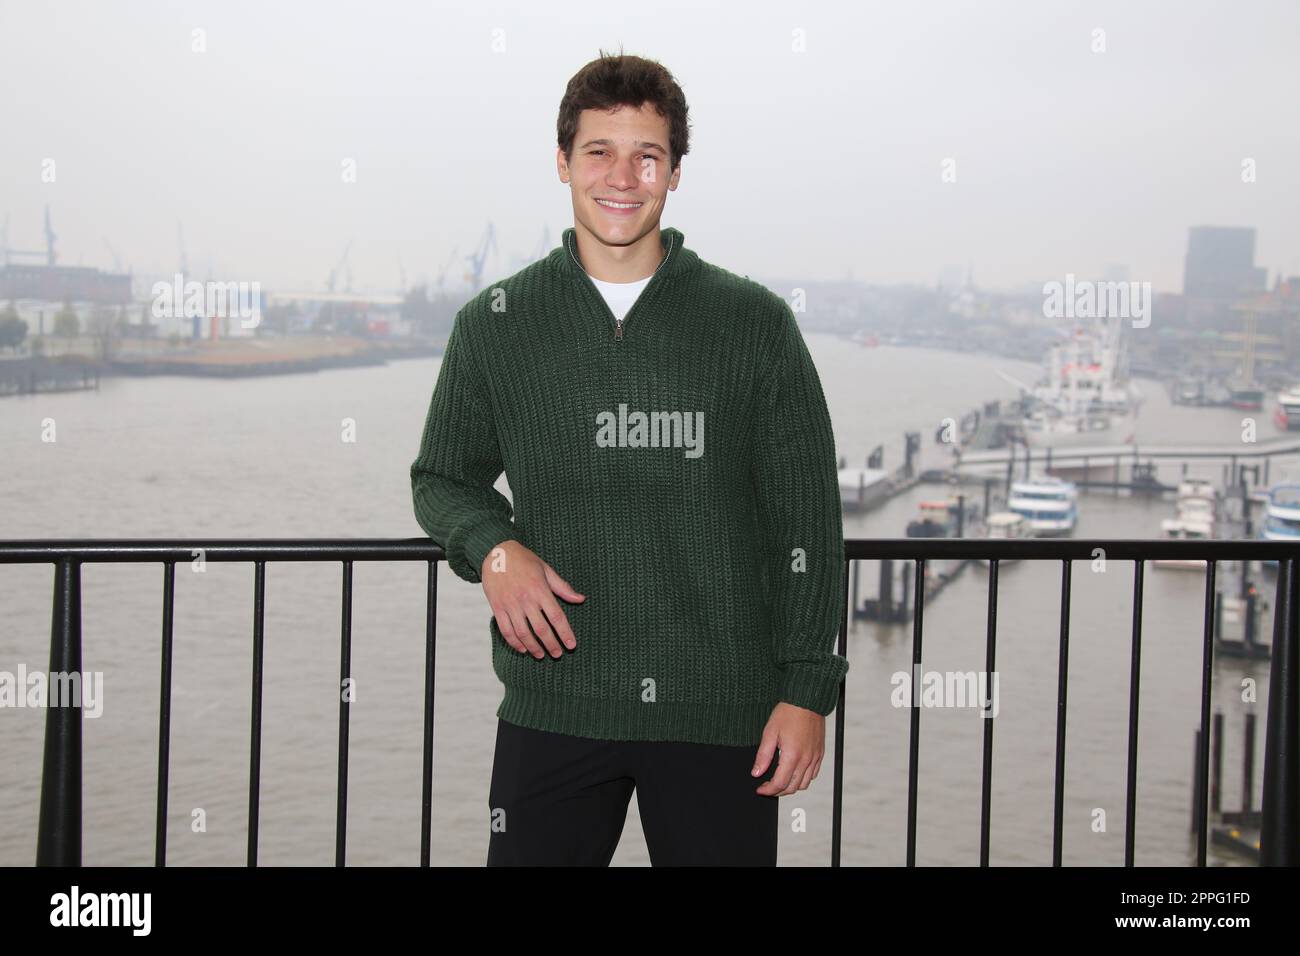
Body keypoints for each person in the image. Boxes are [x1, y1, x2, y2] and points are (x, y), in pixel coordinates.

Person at [410, 48, 848, 866]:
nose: (622, 175)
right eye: (598, 152)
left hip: (724, 714)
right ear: (562, 162)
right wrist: (492, 549)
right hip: (554, 707)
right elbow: (441, 476)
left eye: (646, 155)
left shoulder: (753, 324)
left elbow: (809, 523)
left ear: (675, 172)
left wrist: (806, 690)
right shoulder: (495, 323)